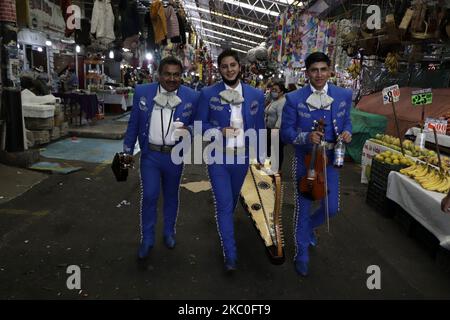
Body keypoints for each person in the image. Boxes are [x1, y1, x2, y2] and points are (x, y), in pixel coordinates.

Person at [281, 52, 352, 276]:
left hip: (331, 159)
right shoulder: (294, 99)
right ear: (307, 73)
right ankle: (301, 252)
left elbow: (347, 119)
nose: (319, 74)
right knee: (302, 207)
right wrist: (305, 137)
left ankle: (310, 227)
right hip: (305, 160)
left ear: (330, 70)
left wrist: (348, 131)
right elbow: (285, 133)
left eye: (323, 69)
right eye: (314, 70)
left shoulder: (344, 94)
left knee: (332, 208)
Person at [123, 56, 199, 260]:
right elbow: (133, 124)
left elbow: (200, 123)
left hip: (175, 156)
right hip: (150, 155)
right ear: (159, 74)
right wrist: (127, 152)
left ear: (181, 76)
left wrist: (188, 129)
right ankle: (147, 239)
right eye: (167, 74)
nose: (172, 79)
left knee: (172, 196)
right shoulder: (142, 92)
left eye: (176, 75)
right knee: (149, 195)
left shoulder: (191, 96)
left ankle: (168, 232)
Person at [196, 49, 265, 272]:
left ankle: (227, 231)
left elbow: (260, 128)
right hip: (218, 157)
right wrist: (218, 130)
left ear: (239, 66)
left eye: (232, 65)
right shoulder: (208, 94)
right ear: (220, 69)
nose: (229, 70)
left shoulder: (256, 95)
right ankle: (230, 253)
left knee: (233, 200)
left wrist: (261, 157)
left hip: (243, 158)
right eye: (224, 66)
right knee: (224, 204)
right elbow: (199, 126)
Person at [264, 81, 287, 172]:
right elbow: (266, 100)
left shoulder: (282, 102)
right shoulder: (274, 100)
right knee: (269, 150)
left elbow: (280, 117)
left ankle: (276, 171)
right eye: (272, 89)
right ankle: (269, 168)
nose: (273, 91)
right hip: (269, 129)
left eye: (275, 90)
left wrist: (275, 130)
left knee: (276, 151)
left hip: (276, 131)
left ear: (281, 92)